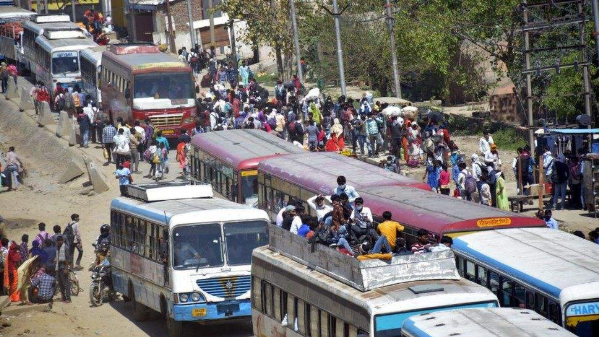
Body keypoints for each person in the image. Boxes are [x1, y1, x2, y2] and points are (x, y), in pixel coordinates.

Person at [55, 236, 71, 302]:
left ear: (62, 241)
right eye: (58, 241)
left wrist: (66, 268)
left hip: (63, 266)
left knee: (66, 283)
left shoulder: (65, 247)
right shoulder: (57, 247)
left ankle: (68, 298)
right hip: (58, 266)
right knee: (60, 283)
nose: (59, 242)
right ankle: (63, 297)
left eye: (60, 240)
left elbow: (67, 259)